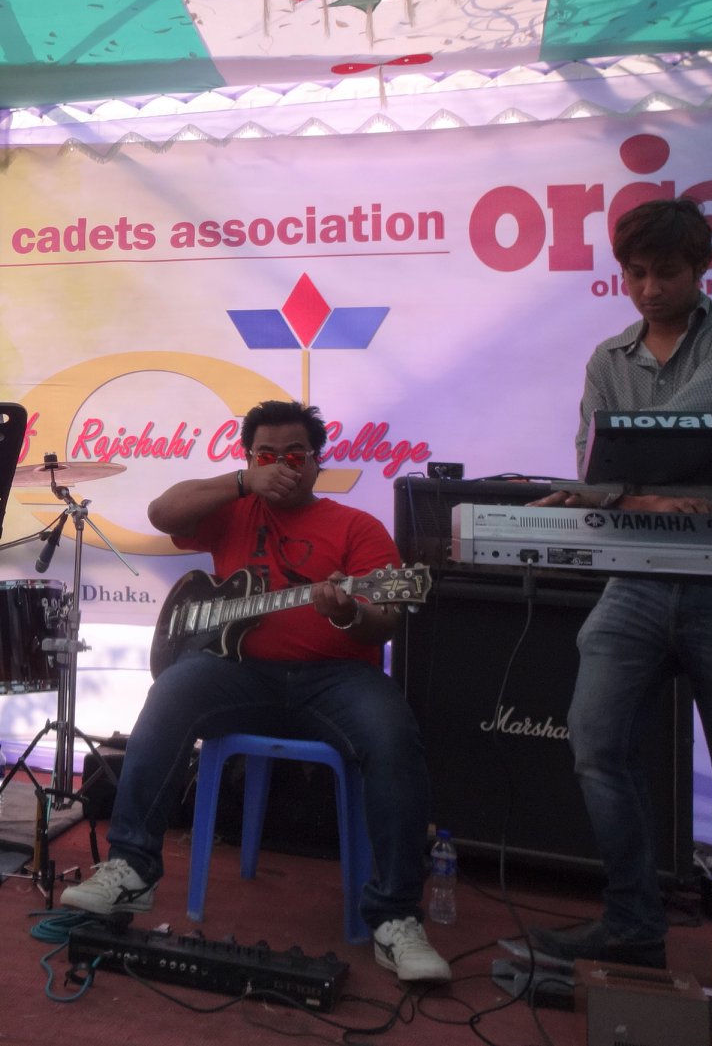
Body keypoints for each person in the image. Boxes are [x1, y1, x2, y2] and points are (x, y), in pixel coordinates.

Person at [61, 399, 452, 986]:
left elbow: (386, 621)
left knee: (392, 733)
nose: (283, 467)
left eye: (295, 455)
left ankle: (395, 917)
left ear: (316, 462)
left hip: (337, 678)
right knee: (170, 694)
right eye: (267, 456)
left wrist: (348, 613)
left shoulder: (357, 527)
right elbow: (162, 512)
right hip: (238, 671)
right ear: (249, 459)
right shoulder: (233, 508)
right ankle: (130, 870)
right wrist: (244, 482)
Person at [527, 197, 712, 969]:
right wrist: (633, 494)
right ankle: (633, 920)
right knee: (596, 743)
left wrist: (621, 484)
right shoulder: (607, 357)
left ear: (701, 267)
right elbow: (591, 464)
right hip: (636, 575)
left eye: (665, 272)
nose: (648, 289)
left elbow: (674, 428)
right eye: (635, 273)